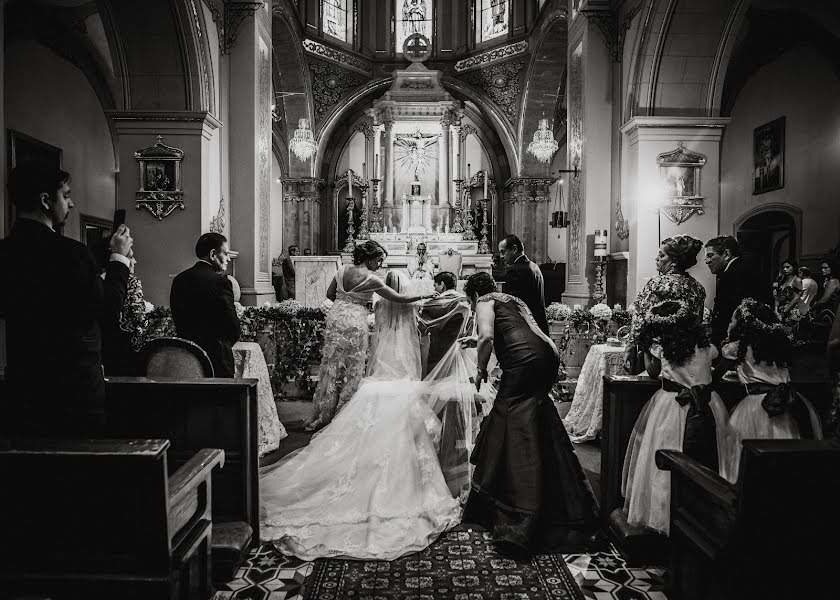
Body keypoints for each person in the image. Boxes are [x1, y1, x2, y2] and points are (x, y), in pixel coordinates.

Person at [260, 270, 461, 560]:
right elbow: (419, 328)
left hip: (379, 372)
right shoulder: (406, 306)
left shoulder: (377, 305)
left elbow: (373, 326)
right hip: (401, 372)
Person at [461, 272, 598, 557]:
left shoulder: (485, 300)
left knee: (511, 426)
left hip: (524, 364)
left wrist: (480, 371)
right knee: (539, 423)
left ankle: (521, 514)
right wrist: (478, 342)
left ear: (474, 295)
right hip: (546, 355)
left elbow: (488, 336)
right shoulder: (512, 299)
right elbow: (515, 333)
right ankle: (567, 499)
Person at [0, 164, 132, 437]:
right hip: (75, 389)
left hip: (22, 384)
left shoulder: (5, 253)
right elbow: (108, 310)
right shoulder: (71, 253)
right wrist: (120, 261)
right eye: (66, 195)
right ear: (46, 200)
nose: (71, 204)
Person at [303, 240, 438, 431]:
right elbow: (398, 298)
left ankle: (323, 413)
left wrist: (346, 301)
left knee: (331, 366)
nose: (380, 264)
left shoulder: (342, 270)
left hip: (336, 319)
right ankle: (343, 413)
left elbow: (330, 294)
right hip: (355, 323)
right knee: (352, 368)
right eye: (379, 260)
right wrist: (423, 296)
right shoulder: (372, 279)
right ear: (369, 257)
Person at [621, 300, 728, 535]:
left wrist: (644, 349)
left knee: (664, 458)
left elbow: (651, 371)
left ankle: (663, 515)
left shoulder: (661, 347)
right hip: (708, 404)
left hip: (672, 406)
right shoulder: (705, 346)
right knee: (708, 460)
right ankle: (702, 517)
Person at [720, 299, 822, 483]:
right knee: (787, 458)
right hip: (789, 401)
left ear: (742, 325)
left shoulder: (737, 347)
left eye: (732, 321)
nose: (730, 324)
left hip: (756, 407)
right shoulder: (778, 345)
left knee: (749, 465)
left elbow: (723, 367)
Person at [625, 235, 705, 374]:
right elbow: (698, 320)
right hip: (688, 352)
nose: (656, 259)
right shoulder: (697, 287)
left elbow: (640, 318)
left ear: (674, 261)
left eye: (662, 256)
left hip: (658, 352)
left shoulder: (657, 284)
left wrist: (631, 347)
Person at [170, 232, 240, 377]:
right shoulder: (221, 282)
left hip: (187, 358)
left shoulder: (179, 280)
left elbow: (178, 319)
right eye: (225, 254)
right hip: (217, 360)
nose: (228, 259)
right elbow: (233, 326)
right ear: (213, 254)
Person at [704, 235, 770, 348]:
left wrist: (716, 342)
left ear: (727, 254)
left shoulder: (731, 275)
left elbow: (726, 313)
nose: (706, 261)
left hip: (738, 340)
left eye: (710, 255)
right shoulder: (745, 267)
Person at [101, 248, 148, 376]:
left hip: (103, 345)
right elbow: (138, 316)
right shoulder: (132, 280)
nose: (135, 261)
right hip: (126, 344)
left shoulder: (99, 280)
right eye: (131, 257)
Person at [418, 271, 469, 376]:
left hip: (437, 351)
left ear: (442, 285)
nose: (434, 289)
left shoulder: (431, 304)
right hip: (459, 349)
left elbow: (422, 327)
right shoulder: (466, 302)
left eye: (435, 285)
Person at [498, 234, 548, 334]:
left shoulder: (516, 270)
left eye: (503, 252)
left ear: (514, 249)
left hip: (526, 327)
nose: (501, 256)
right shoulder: (534, 266)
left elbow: (512, 304)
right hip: (539, 323)